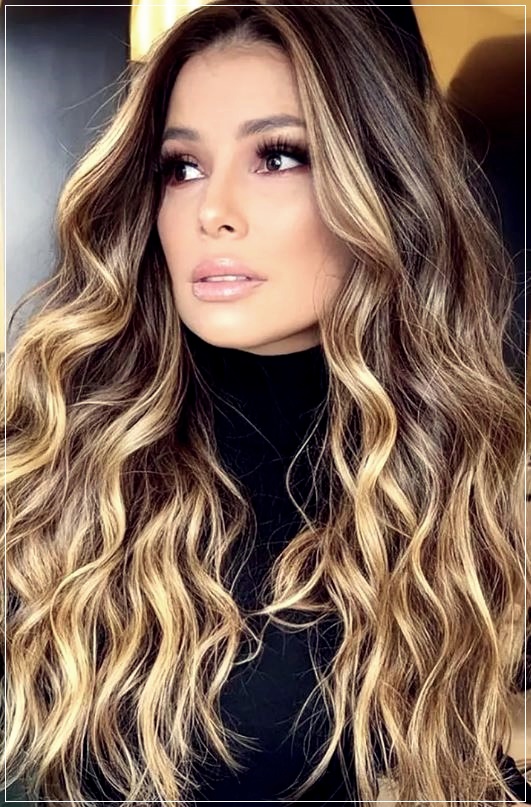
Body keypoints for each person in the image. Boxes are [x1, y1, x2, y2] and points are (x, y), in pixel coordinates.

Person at [2, 0, 528, 804]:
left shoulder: (481, 481)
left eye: (278, 157)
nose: (211, 210)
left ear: (383, 186)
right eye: (181, 168)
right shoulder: (48, 460)